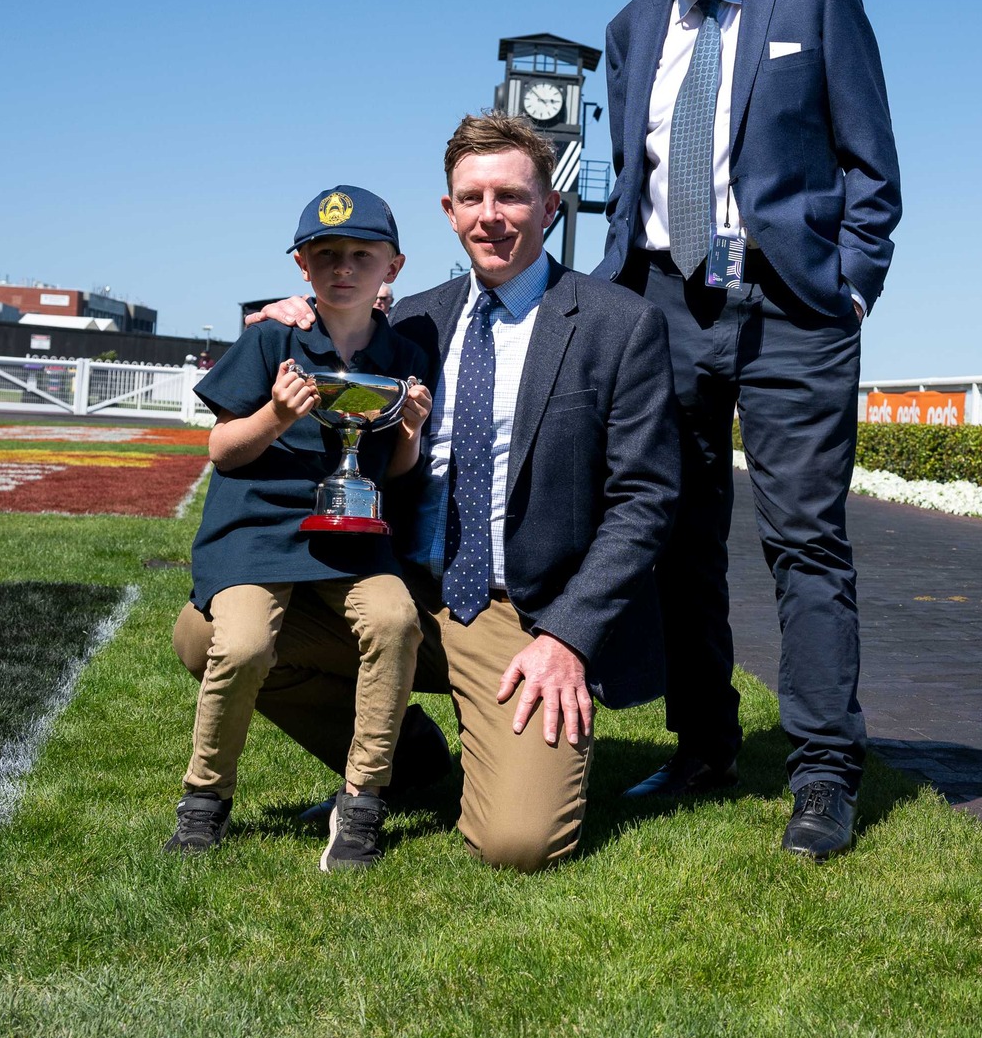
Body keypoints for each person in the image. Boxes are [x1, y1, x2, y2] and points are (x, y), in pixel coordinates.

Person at [245, 113, 681, 871]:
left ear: (550, 207)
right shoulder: (411, 320)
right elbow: (330, 344)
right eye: (471, 198)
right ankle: (410, 759)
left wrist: (568, 635)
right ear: (448, 212)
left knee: (518, 844)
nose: (491, 216)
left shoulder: (619, 324)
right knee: (214, 633)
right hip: (397, 590)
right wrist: (299, 316)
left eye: (511, 196)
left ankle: (489, 739)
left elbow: (645, 501)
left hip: (519, 610)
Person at [593, 0, 903, 860]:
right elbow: (628, 184)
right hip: (662, 314)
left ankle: (821, 772)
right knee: (674, 535)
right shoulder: (631, 26)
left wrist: (850, 289)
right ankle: (704, 744)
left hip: (788, 311)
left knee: (802, 541)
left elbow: (871, 167)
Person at [167, 185, 434, 872]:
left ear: (392, 268)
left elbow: (398, 472)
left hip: (354, 536)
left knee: (396, 620)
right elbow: (223, 449)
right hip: (257, 531)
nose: (343, 267)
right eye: (325, 254)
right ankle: (204, 798)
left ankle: (363, 800)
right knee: (247, 642)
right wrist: (275, 417)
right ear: (301, 264)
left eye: (360, 254)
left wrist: (409, 431)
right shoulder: (270, 339)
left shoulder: (402, 354)